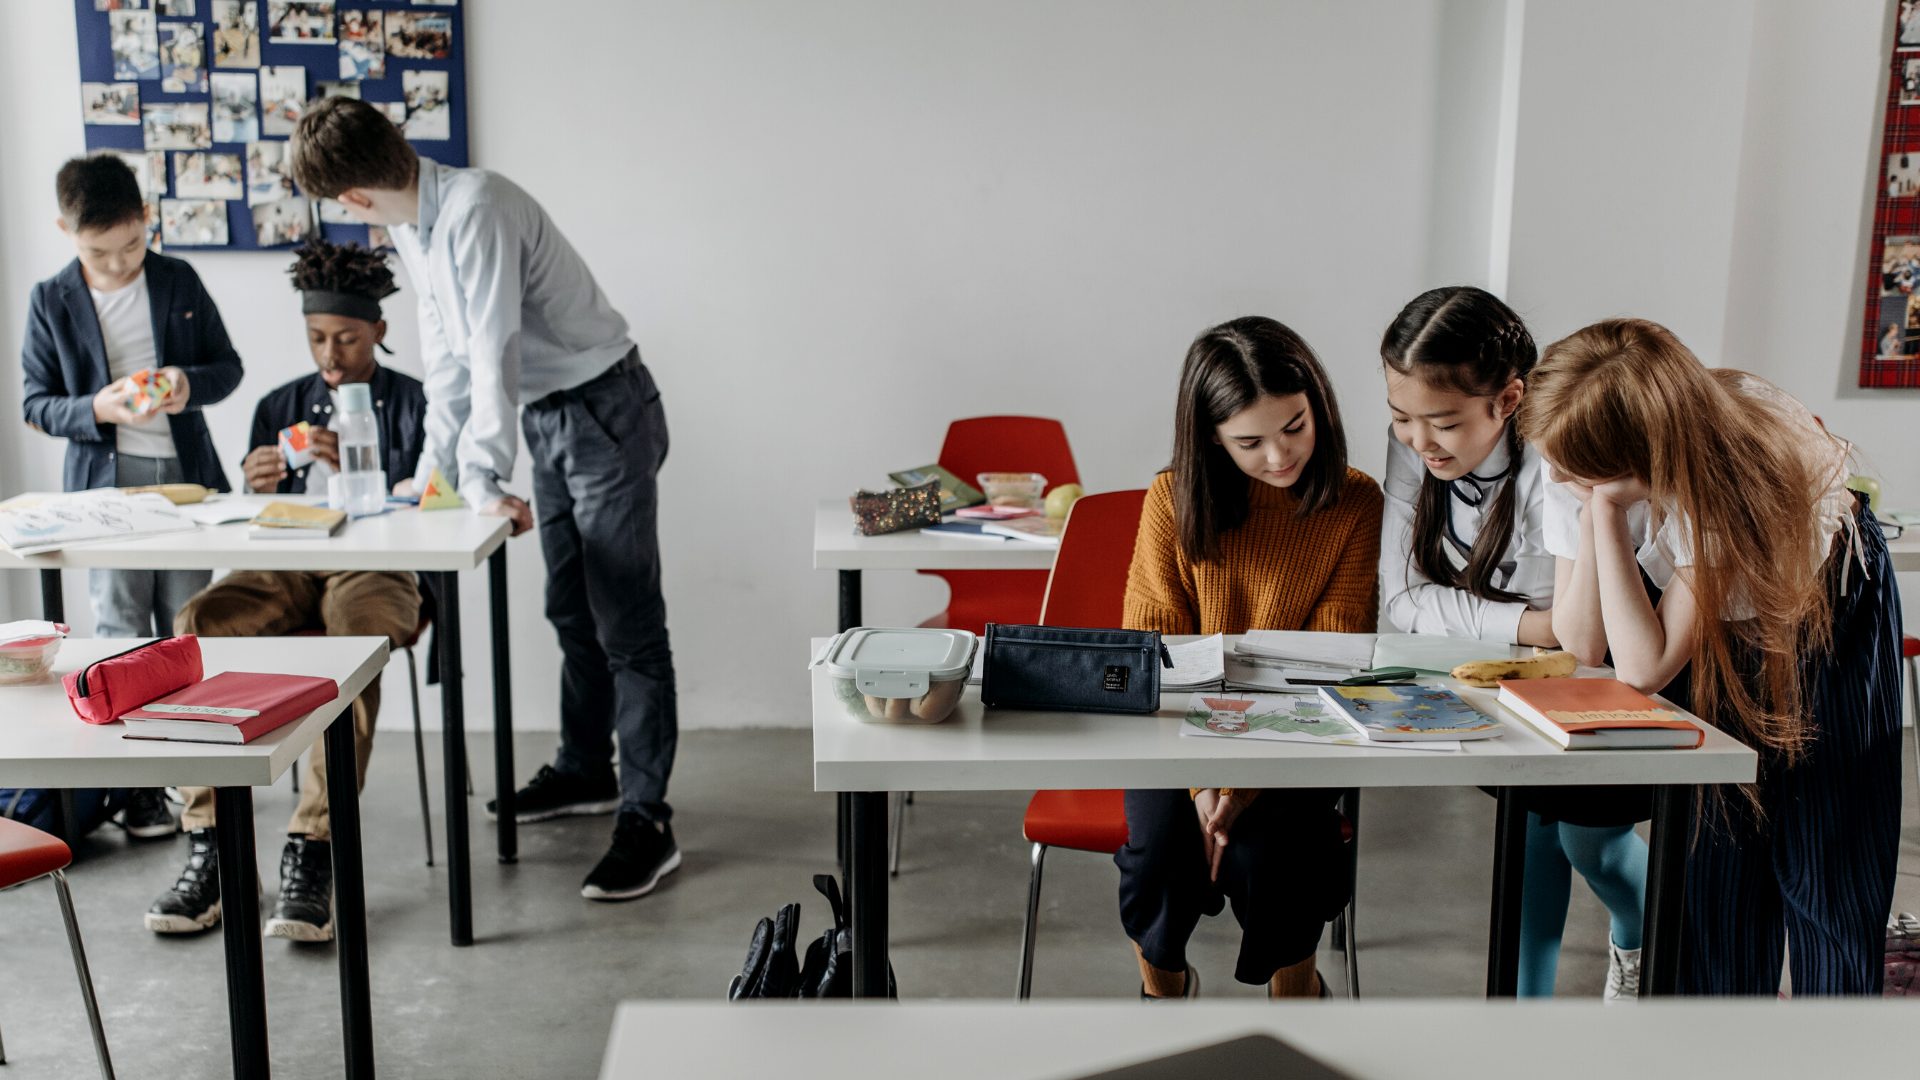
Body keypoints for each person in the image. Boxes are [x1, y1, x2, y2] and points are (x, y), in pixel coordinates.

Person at [287, 97, 681, 902]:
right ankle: (586, 769)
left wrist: (481, 477)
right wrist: (433, 474)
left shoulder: (477, 207)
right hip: (549, 415)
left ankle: (649, 820)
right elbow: (447, 362)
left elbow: (493, 347)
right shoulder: (415, 225)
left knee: (626, 622)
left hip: (603, 409)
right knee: (570, 608)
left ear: (352, 197)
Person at [1521, 318, 1902, 996]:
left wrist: (1604, 514)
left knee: (1826, 862)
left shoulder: (1731, 477)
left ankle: (1841, 1039)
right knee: (1716, 861)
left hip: (1828, 609)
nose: (1555, 477)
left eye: (1575, 472)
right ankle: (1718, 1039)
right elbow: (1584, 645)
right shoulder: (1577, 452)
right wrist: (1597, 507)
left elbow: (1645, 669)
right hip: (1711, 619)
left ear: (1639, 461)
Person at [146, 240, 426, 940]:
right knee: (199, 622)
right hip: (287, 558)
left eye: (347, 338)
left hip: (379, 563)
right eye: (316, 337)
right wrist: (257, 483)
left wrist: (367, 469)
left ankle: (315, 846)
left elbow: (437, 502)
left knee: (354, 646)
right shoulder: (279, 404)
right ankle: (211, 841)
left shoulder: (418, 403)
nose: (330, 354)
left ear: (378, 331)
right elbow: (248, 519)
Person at [1379, 286, 1649, 1000]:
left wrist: (1538, 627)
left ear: (1508, 400)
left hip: (1615, 666)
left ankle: (1641, 942)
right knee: (1530, 840)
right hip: (1517, 674)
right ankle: (1524, 1015)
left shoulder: (1559, 455)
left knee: (1592, 845)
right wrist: (1533, 625)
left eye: (1442, 422)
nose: (1418, 441)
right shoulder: (1417, 448)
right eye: (1400, 418)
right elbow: (1403, 601)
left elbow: (1586, 635)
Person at [1119, 316, 1381, 999]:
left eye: (1295, 427)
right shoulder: (1170, 500)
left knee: (1277, 858)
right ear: (1211, 436)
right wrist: (1204, 785)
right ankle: (1162, 988)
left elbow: (1330, 660)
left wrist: (1241, 787)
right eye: (1250, 442)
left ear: (1317, 406)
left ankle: (1297, 992)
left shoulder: (1355, 501)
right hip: (1175, 736)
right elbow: (1156, 656)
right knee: (1160, 858)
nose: (1279, 455)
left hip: (1298, 733)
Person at [20, 153, 244, 841]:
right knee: (120, 632)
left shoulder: (178, 278)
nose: (118, 263)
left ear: (147, 219)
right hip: (102, 491)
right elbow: (36, 403)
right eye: (99, 251)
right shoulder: (51, 298)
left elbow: (228, 368)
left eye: (131, 245)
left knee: (184, 628)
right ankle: (138, 788)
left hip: (184, 484)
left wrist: (185, 383)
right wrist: (98, 408)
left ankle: (192, 778)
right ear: (65, 231)